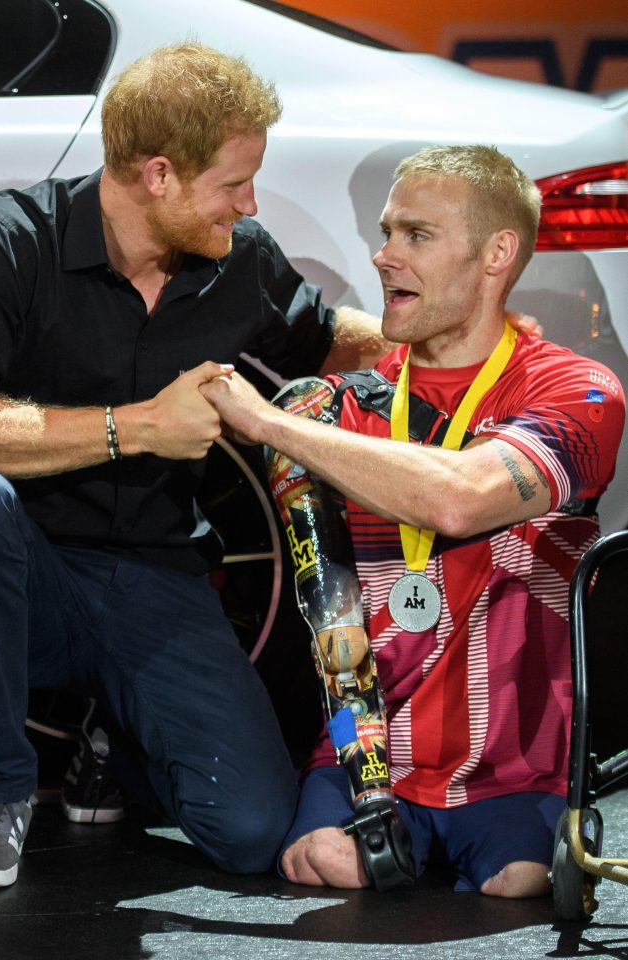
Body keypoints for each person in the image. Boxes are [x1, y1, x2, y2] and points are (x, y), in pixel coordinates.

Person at [0, 41, 411, 889]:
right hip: (23, 579)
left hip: (155, 579)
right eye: (232, 183)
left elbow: (326, 338)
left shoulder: (238, 259)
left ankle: (118, 743)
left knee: (251, 836)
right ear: (160, 175)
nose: (248, 204)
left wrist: (450, 348)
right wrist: (135, 427)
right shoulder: (6, 242)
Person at [200, 144, 625, 898]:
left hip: (510, 773)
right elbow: (325, 604)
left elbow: (460, 497)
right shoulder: (332, 407)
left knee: (521, 884)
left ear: (498, 253)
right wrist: (364, 788)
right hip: (361, 765)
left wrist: (272, 428)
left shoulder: (577, 391)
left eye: (415, 235)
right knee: (322, 866)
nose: (382, 254)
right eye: (386, 231)